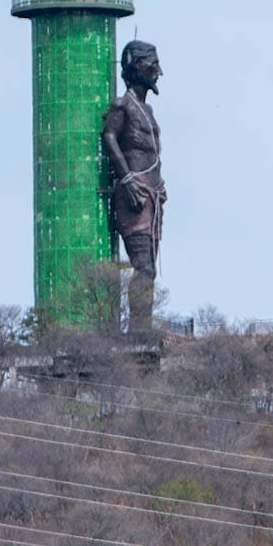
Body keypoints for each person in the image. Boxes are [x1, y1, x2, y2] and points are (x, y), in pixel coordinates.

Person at [102, 40, 166, 332]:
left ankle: (143, 327)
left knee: (149, 268)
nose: (159, 71)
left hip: (153, 194)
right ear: (137, 65)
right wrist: (126, 178)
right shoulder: (123, 105)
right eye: (153, 64)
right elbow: (109, 137)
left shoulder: (147, 110)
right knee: (145, 267)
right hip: (135, 193)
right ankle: (139, 331)